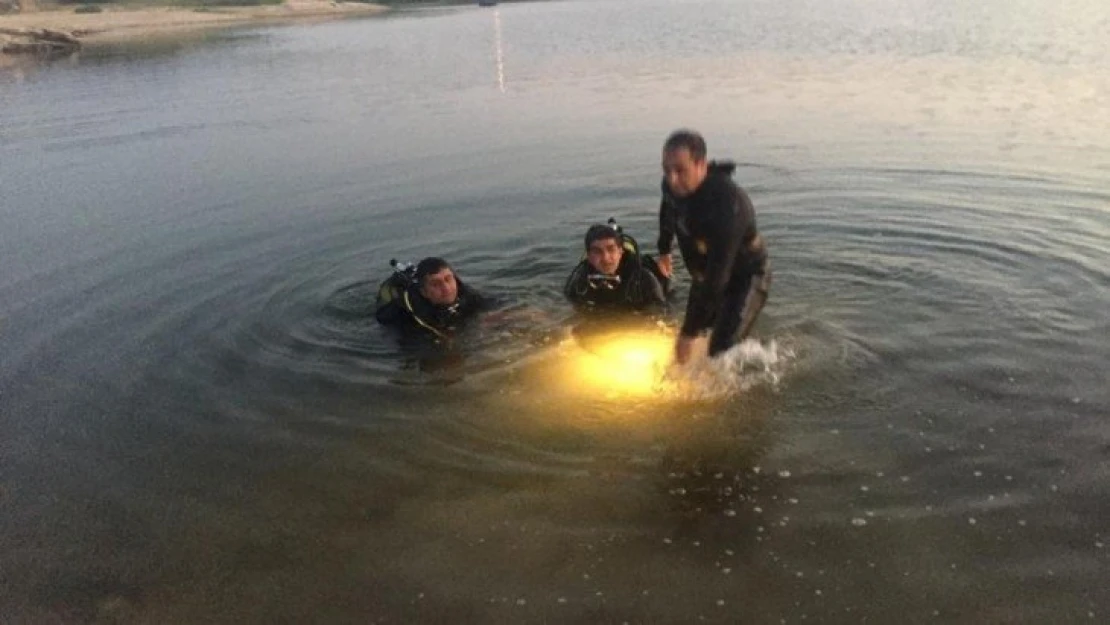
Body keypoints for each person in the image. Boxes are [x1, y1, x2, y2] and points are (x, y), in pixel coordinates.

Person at [656, 129, 771, 364]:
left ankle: (757, 369)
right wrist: (664, 250)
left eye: (680, 170)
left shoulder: (728, 205)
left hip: (745, 276)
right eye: (667, 170)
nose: (672, 179)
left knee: (719, 353)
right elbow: (667, 210)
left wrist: (688, 333)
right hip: (705, 273)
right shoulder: (671, 187)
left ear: (701, 165)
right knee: (698, 337)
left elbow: (719, 276)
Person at [563, 219, 670, 314]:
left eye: (611, 249)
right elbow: (567, 307)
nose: (605, 258)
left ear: (620, 252)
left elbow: (661, 313)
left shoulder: (643, 279)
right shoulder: (578, 282)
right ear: (589, 256)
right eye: (597, 251)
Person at [375, 257, 492, 340]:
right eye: (436, 284)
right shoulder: (407, 314)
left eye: (448, 279)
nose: (446, 288)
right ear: (424, 292)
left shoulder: (465, 292)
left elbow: (495, 306)